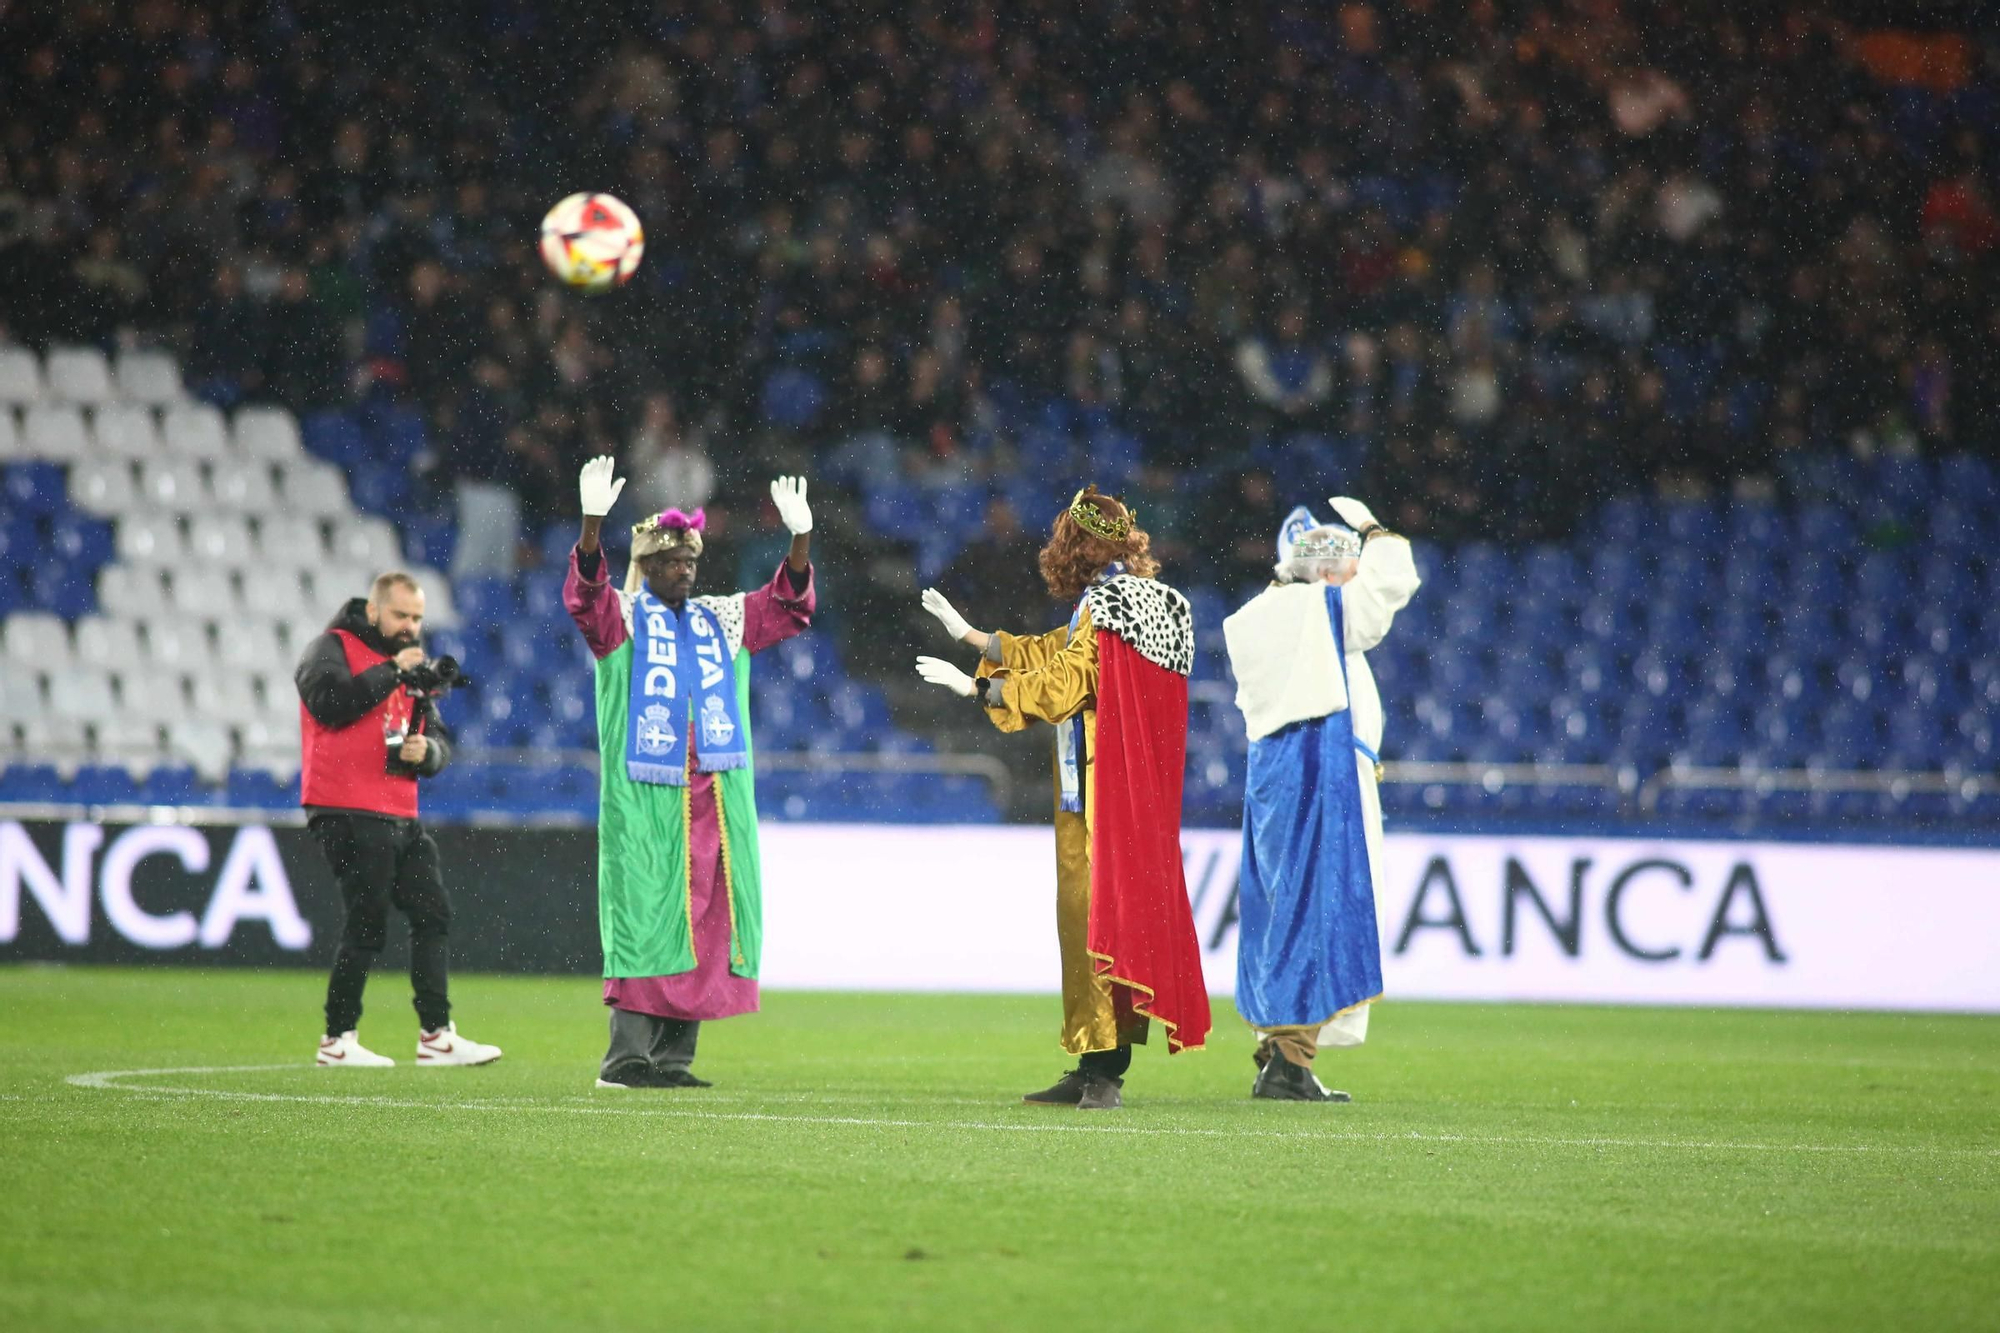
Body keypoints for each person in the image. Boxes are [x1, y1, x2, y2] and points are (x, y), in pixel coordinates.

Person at [914, 485, 1210, 1110]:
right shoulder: (1132, 602)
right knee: (1092, 924)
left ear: (1077, 543)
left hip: (1101, 795)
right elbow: (1052, 651)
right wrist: (971, 635)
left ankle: (1104, 1069)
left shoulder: (1107, 605)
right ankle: (1092, 1057)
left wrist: (979, 691)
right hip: (1119, 794)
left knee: (1091, 923)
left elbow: (1063, 682)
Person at [564, 456, 816, 1090]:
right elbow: (585, 597)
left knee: (709, 920)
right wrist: (593, 525)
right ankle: (625, 1060)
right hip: (647, 798)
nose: (685, 571)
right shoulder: (621, 618)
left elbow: (786, 605)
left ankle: (674, 1061)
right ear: (647, 566)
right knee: (646, 914)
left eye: (691, 562)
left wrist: (800, 539)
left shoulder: (721, 620)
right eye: (673, 562)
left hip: (717, 796)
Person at [1221, 498, 1420, 1102]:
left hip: (1276, 777)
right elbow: (1392, 584)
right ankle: (1289, 1062)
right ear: (1329, 575)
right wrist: (1374, 529)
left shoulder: (1259, 615)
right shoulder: (1319, 612)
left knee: (1280, 911)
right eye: (1350, 567)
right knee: (1322, 912)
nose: (1358, 576)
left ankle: (1278, 1055)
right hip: (1325, 769)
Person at [295, 571, 502, 1069]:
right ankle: (337, 1038)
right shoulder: (332, 646)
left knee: (433, 913)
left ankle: (436, 1035)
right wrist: (393, 670)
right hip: (346, 805)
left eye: (417, 617)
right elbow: (330, 703)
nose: (410, 626)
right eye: (401, 615)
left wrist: (426, 751)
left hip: (399, 810)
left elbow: (440, 741)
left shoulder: (410, 668)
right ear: (373, 611)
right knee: (367, 920)